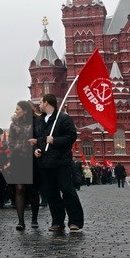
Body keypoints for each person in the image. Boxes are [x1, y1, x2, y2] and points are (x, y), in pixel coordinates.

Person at [34, 93, 84, 232]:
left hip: (62, 162)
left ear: (47, 103)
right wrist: (36, 149)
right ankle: (57, 221)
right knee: (51, 193)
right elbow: (35, 139)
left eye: (40, 102)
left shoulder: (63, 118)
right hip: (45, 163)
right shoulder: (38, 121)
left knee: (67, 191)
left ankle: (75, 221)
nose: (39, 105)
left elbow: (71, 137)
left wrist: (55, 140)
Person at [7, 101, 39, 230]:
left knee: (33, 190)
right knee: (19, 189)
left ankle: (34, 218)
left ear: (25, 110)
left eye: (18, 109)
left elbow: (40, 138)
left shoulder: (36, 122)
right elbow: (10, 143)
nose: (16, 111)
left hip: (33, 159)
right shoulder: (14, 124)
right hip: (18, 159)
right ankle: (20, 221)